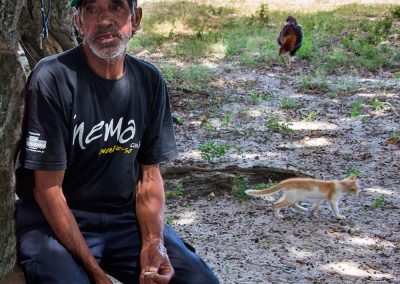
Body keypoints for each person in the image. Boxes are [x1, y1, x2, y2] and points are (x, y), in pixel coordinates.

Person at [14, 0, 220, 283]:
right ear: (77, 21)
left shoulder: (149, 80)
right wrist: (96, 273)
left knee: (198, 279)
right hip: (56, 220)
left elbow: (149, 176)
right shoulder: (53, 78)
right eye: (91, 10)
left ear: (135, 19)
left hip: (124, 219)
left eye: (116, 7)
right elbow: (47, 190)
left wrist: (153, 243)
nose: (104, 20)